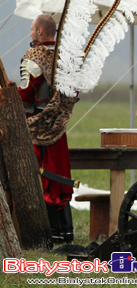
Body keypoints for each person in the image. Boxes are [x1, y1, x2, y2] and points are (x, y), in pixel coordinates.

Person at [18, 14, 78, 244]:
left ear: (41, 32)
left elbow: (27, 94)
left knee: (44, 178)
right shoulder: (65, 58)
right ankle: (65, 231)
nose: (31, 33)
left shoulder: (34, 58)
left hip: (37, 127)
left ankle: (49, 232)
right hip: (59, 128)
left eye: (33, 29)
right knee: (59, 176)